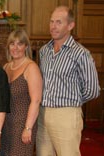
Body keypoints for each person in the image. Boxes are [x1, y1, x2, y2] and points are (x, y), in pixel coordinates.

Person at [36, 6, 100, 156]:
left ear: (70, 25)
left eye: (59, 22)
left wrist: (71, 101)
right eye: (51, 22)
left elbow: (93, 90)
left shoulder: (81, 53)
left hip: (66, 114)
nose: (53, 26)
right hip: (43, 113)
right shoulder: (44, 51)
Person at [0, 29, 42, 156]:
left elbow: (36, 100)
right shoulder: (6, 67)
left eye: (20, 44)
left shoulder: (31, 68)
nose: (15, 47)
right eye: (12, 44)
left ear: (26, 46)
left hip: (23, 124)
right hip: (6, 124)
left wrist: (28, 128)